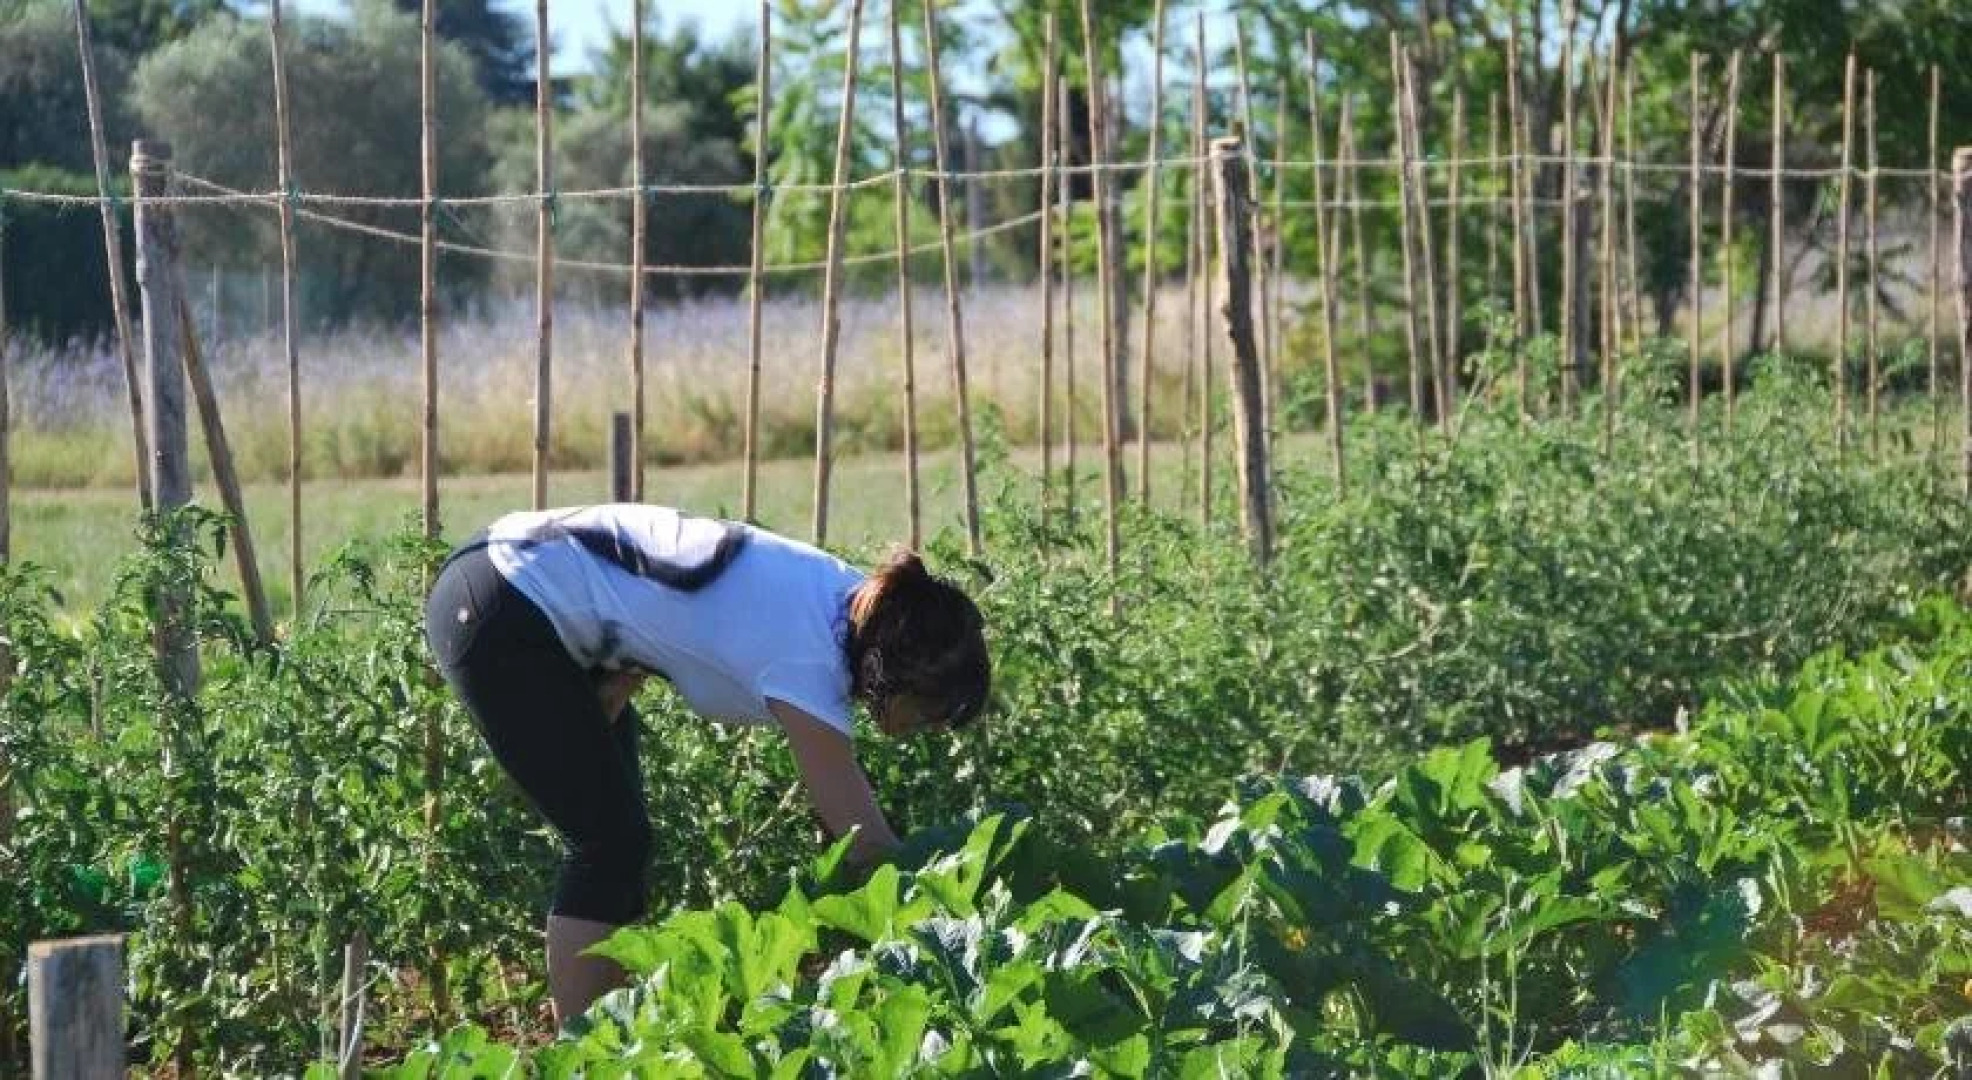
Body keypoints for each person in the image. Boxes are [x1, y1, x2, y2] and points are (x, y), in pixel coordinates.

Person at [421, 503, 989, 1027]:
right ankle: (584, 1055)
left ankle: (611, 1038)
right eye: (932, 713)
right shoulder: (810, 657)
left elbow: (695, 603)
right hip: (505, 607)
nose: (930, 729)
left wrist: (623, 665)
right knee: (608, 848)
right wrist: (955, 933)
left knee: (621, 848)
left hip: (523, 587)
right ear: (899, 674)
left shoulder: (853, 604)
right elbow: (865, 845)